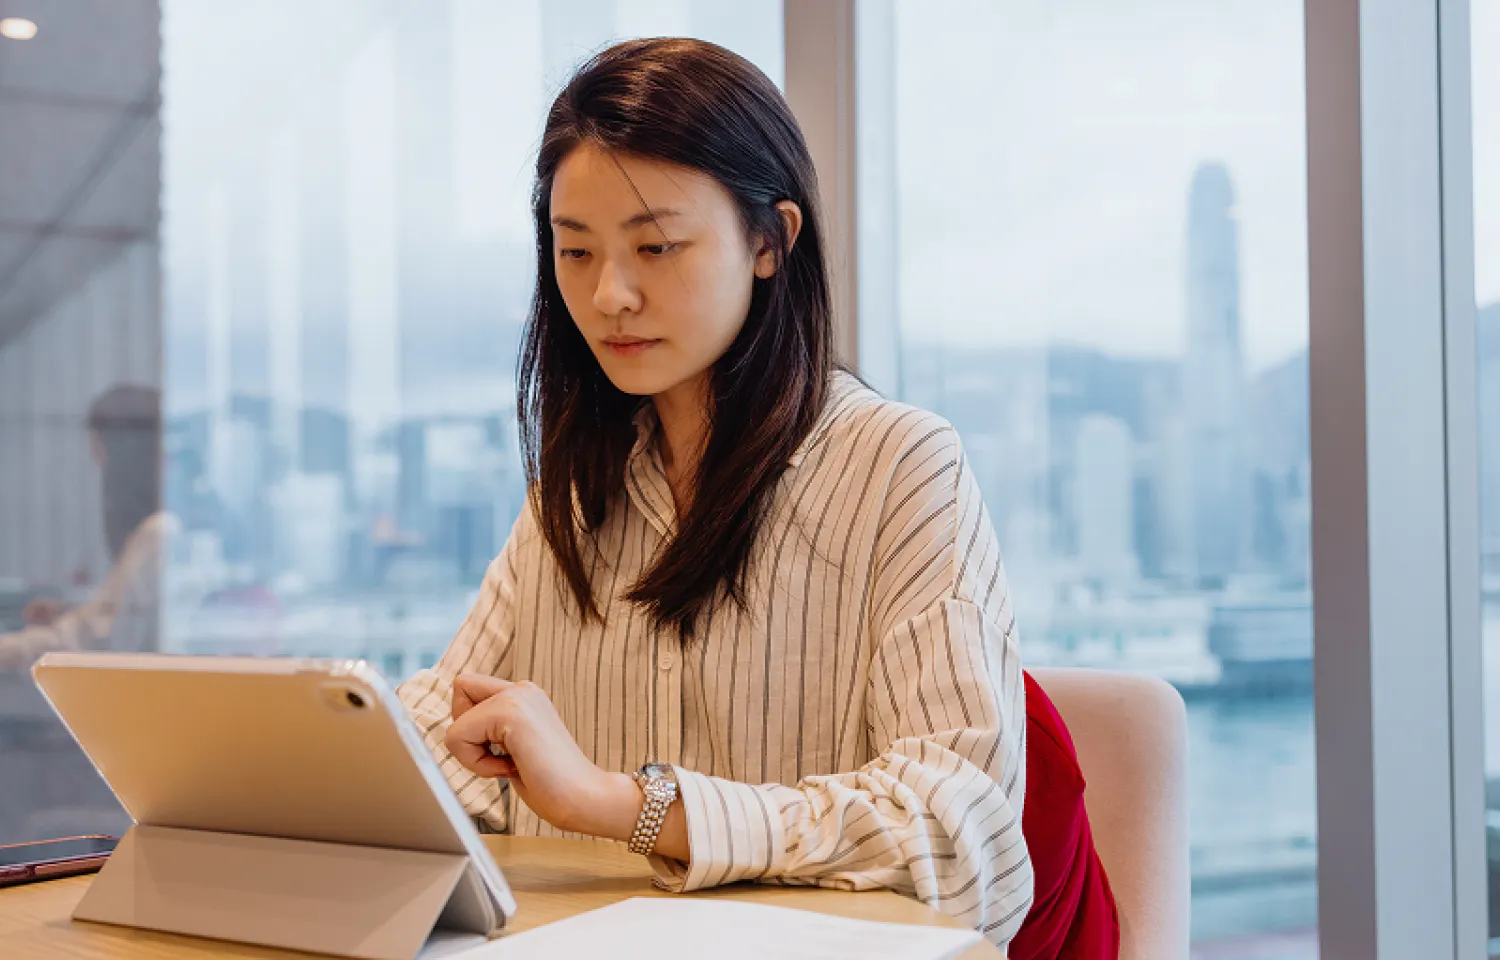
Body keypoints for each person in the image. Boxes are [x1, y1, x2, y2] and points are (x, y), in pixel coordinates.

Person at [397, 38, 1033, 948]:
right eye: (574, 252)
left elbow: (961, 834)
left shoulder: (898, 467)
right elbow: (459, 737)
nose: (610, 293)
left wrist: (627, 806)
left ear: (771, 241)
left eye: (655, 246)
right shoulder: (575, 495)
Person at [0, 385, 174, 671]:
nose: (96, 459)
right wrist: (72, 612)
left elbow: (97, 640)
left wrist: (8, 649)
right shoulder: (158, 529)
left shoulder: (160, 531)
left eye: (98, 445)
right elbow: (123, 615)